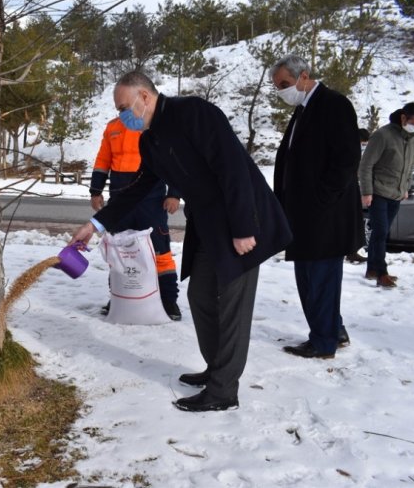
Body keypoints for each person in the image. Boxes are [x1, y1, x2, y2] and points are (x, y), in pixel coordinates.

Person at [70, 71, 292, 412]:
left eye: (124, 107)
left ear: (144, 96)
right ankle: (216, 368)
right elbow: (140, 189)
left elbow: (233, 167)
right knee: (200, 295)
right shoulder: (150, 140)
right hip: (206, 226)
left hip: (242, 221)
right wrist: (96, 223)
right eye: (117, 110)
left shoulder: (194, 113)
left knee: (233, 305)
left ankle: (223, 392)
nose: (122, 116)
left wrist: (244, 227)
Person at [270, 54, 364, 359]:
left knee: (318, 281)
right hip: (305, 215)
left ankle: (323, 342)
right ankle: (333, 329)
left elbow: (346, 160)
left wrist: (320, 200)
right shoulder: (303, 109)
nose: (281, 90)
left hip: (324, 215)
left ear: (304, 76)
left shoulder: (334, 104)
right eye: (277, 86)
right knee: (312, 279)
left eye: (284, 83)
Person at [89, 118, 181, 320]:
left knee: (160, 251)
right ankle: (119, 297)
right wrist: (96, 191)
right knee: (119, 251)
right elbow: (103, 161)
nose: (124, 109)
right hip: (120, 199)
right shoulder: (113, 127)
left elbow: (173, 159)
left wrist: (174, 193)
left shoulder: (156, 124)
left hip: (153, 200)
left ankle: (168, 300)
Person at [358, 102, 414, 288]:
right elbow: (365, 165)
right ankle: (381, 273)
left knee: (381, 233)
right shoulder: (383, 135)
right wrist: (366, 192)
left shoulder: (413, 137)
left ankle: (371, 268)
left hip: (396, 194)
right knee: (381, 232)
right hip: (378, 192)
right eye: (413, 122)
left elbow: (410, 165)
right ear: (403, 117)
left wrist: (406, 187)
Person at [345, 128, 373, 264]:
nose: (364, 145)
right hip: (345, 190)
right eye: (363, 142)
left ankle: (352, 251)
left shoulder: (361, 151)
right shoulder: (347, 149)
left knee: (355, 222)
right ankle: (348, 251)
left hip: (355, 188)